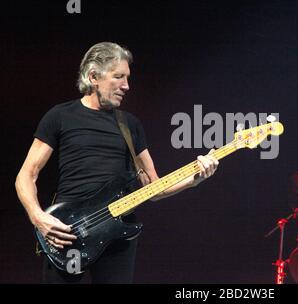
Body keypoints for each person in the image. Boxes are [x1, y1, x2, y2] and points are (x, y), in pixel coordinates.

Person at [15, 42, 219, 283]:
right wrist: (38, 217)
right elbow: (26, 175)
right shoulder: (60, 116)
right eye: (118, 77)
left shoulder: (129, 125)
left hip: (117, 233)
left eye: (128, 78)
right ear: (93, 77)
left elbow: (154, 188)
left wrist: (195, 179)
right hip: (68, 230)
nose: (126, 86)